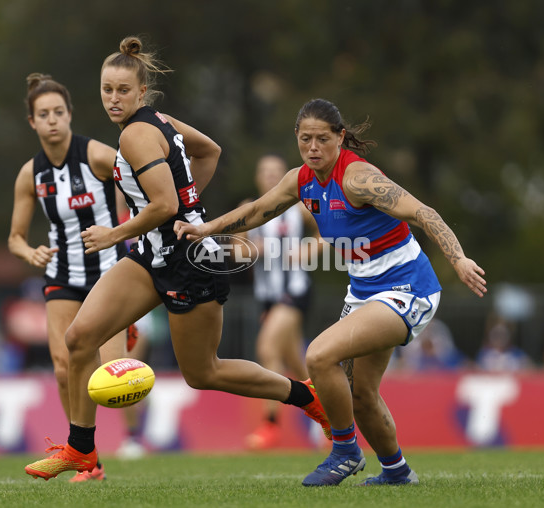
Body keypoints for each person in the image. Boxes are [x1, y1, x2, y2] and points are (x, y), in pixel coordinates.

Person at [24, 37, 329, 481]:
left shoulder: (136, 133)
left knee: (204, 372)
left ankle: (306, 397)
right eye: (107, 89)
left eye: (123, 91)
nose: (113, 98)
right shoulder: (157, 122)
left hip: (189, 260)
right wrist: (190, 204)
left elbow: (164, 205)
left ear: (141, 93)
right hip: (152, 254)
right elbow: (209, 152)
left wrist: (118, 231)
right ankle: (81, 449)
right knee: (79, 339)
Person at [174, 98, 487, 487]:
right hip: (365, 291)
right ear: (297, 139)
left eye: (323, 139)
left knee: (319, 356)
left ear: (340, 138)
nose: (313, 148)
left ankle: (345, 451)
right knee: (360, 395)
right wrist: (206, 229)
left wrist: (457, 259)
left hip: (408, 288)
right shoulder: (300, 179)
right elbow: (257, 212)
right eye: (306, 139)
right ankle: (397, 472)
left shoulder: (358, 178)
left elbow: (423, 213)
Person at [9, 73, 139, 482]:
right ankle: (87, 458)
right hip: (61, 274)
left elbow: (140, 186)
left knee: (112, 371)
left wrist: (126, 232)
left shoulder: (98, 156)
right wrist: (30, 251)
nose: (52, 121)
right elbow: (14, 238)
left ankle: (127, 330)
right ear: (32, 121)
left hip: (108, 271)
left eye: (59, 113)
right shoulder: (31, 174)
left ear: (70, 115)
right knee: (64, 368)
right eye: (43, 114)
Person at [242, 155, 317, 450]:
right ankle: (332, 416)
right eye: (265, 171)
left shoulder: (299, 207)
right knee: (299, 365)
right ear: (258, 177)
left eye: (277, 171)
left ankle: (270, 425)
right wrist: (251, 249)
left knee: (267, 348)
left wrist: (311, 249)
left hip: (295, 291)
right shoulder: (249, 208)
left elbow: (329, 231)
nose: (271, 176)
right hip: (267, 298)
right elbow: (233, 249)